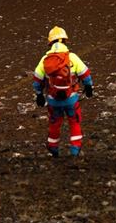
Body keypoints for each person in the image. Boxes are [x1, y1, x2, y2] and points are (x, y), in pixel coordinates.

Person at [32, 26, 94, 157]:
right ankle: (75, 150)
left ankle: (53, 148)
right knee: (75, 122)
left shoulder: (45, 60)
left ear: (50, 43)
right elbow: (86, 75)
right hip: (71, 98)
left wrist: (39, 95)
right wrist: (88, 87)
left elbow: (37, 80)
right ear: (64, 41)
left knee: (54, 124)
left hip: (53, 100)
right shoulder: (72, 57)